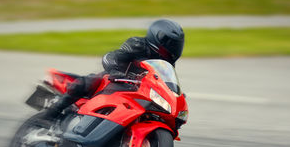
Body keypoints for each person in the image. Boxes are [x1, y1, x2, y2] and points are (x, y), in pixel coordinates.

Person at [43, 19, 185, 120]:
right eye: (171, 44)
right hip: (115, 79)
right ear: (157, 37)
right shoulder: (138, 44)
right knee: (87, 82)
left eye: (176, 45)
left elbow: (166, 81)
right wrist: (117, 72)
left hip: (139, 92)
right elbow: (111, 57)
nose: (173, 49)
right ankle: (51, 113)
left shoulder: (166, 63)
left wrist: (177, 97)